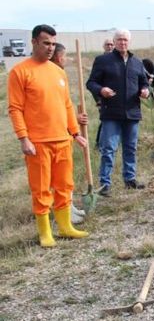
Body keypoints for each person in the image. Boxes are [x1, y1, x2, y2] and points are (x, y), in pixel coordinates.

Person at [7, 24, 89, 247]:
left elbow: (66, 105)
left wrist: (74, 133)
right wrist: (24, 138)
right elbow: (15, 108)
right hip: (38, 143)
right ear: (34, 42)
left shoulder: (58, 72)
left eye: (53, 44)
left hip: (62, 140)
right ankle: (45, 233)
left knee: (65, 185)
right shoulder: (20, 72)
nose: (50, 48)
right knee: (41, 188)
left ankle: (65, 227)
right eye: (46, 43)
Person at [86, 29, 150, 197]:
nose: (123, 43)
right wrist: (101, 90)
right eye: (120, 40)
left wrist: (145, 90)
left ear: (129, 42)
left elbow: (144, 82)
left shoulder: (137, 61)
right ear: (114, 42)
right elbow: (91, 82)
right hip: (111, 113)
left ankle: (130, 179)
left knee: (130, 147)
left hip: (132, 112)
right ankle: (105, 184)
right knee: (108, 149)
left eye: (125, 40)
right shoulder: (103, 60)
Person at [50, 42, 89, 224]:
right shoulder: (51, 75)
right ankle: (63, 212)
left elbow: (64, 106)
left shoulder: (60, 75)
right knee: (58, 178)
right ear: (59, 57)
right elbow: (54, 109)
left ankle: (69, 207)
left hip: (65, 134)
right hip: (54, 134)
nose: (66, 59)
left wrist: (75, 121)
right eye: (65, 56)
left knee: (66, 176)